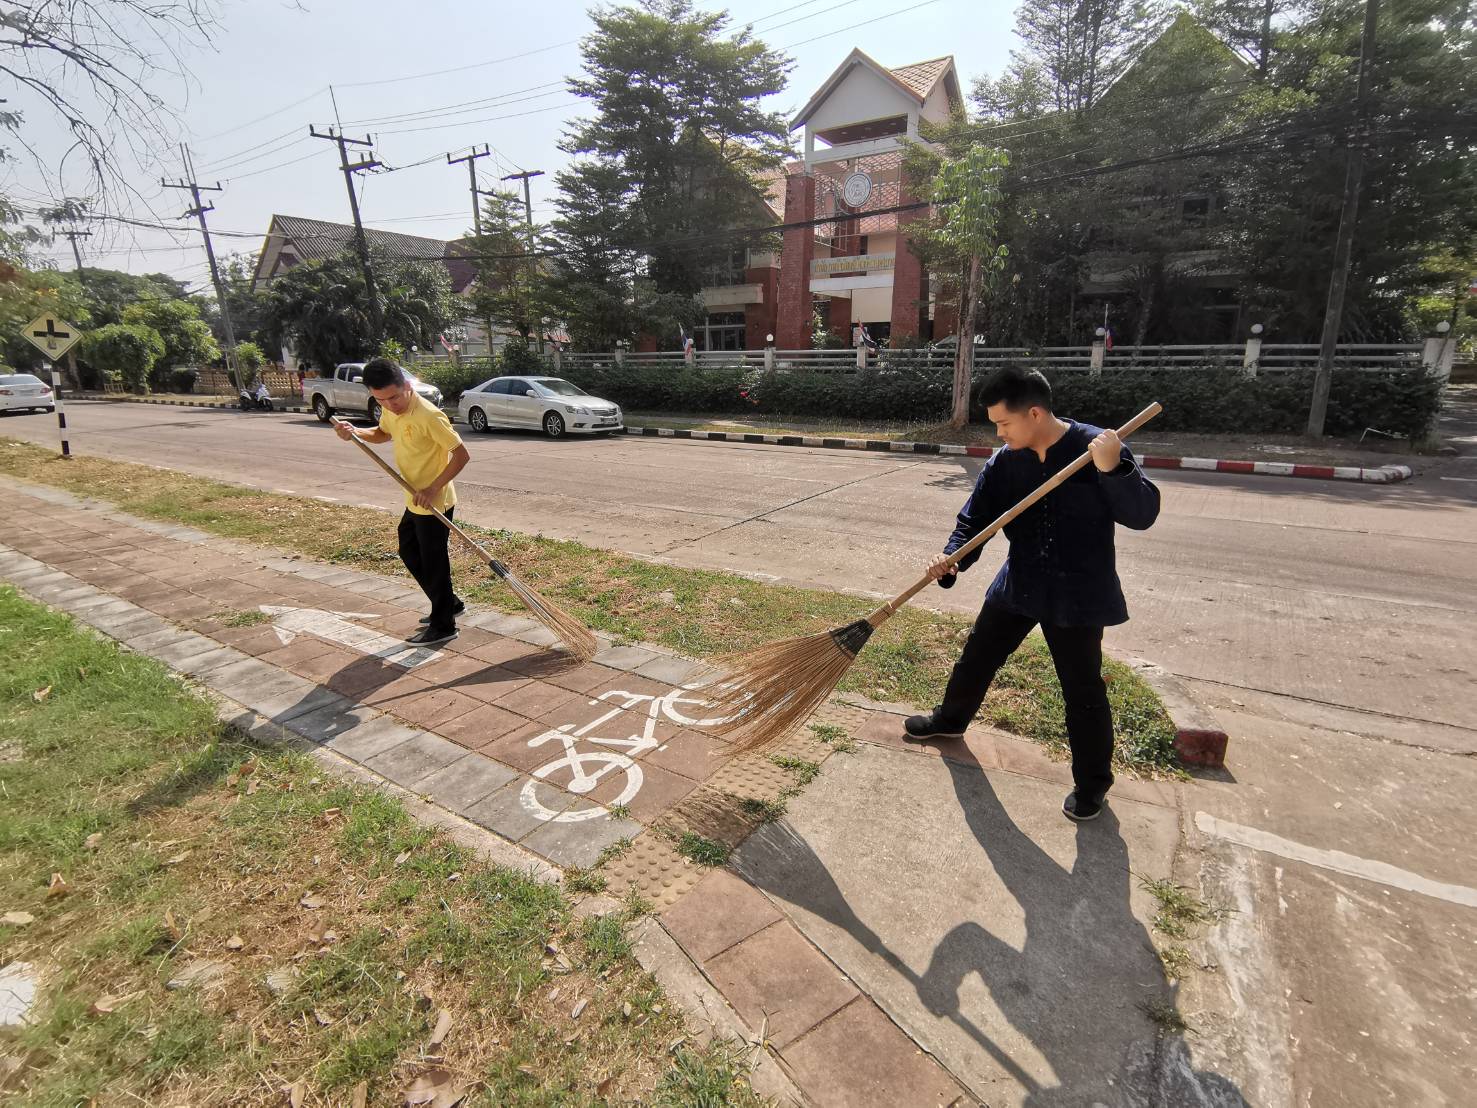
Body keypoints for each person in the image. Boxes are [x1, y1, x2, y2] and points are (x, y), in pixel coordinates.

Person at [906, 365, 1160, 822]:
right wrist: (953, 560)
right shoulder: (1006, 462)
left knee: (1082, 690)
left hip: (1079, 594)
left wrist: (1115, 469)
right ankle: (949, 721)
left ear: (1035, 414)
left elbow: (1142, 515)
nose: (999, 433)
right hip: (1020, 582)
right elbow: (975, 520)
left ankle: (1092, 784)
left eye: (1004, 423)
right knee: (977, 658)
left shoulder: (1098, 448)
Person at [333, 357, 471, 645]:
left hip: (435, 502)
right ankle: (449, 601)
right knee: (409, 551)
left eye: (394, 397)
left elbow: (461, 456)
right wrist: (356, 432)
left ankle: (444, 623)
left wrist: (433, 488)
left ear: (407, 385)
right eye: (381, 400)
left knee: (434, 562)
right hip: (413, 497)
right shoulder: (390, 411)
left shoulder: (429, 416)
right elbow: (383, 433)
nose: (390, 405)